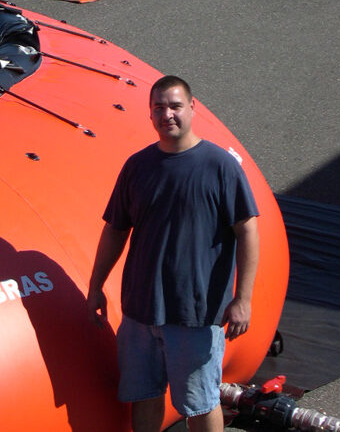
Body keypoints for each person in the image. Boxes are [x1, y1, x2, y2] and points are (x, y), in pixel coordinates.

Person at [87, 75, 259, 432]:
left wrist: (243, 298)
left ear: (192, 108)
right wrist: (96, 286)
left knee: (199, 403)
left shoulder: (220, 167)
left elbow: (248, 231)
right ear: (150, 114)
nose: (168, 114)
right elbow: (115, 230)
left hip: (195, 315)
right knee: (145, 396)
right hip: (140, 312)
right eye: (159, 108)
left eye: (175, 106)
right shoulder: (137, 167)